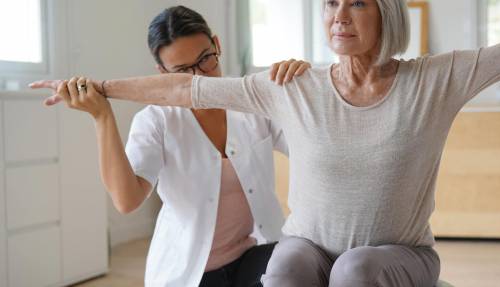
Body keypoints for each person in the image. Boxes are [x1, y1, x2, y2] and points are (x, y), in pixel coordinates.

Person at [32, 0, 500, 286]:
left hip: (391, 256)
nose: (340, 15)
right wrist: (95, 90)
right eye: (330, 4)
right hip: (293, 251)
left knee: (353, 271)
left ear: (388, 15)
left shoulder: (438, 79)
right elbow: (181, 93)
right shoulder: (290, 86)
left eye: (358, 3)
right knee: (287, 265)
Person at [34, 6, 309, 287]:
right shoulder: (156, 121)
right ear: (162, 73)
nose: (199, 76)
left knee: (300, 269)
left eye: (206, 60)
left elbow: (312, 147)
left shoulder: (251, 104)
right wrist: (102, 116)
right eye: (182, 72)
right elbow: (127, 200)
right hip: (191, 271)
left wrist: (306, 89)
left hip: (255, 254)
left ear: (217, 45)